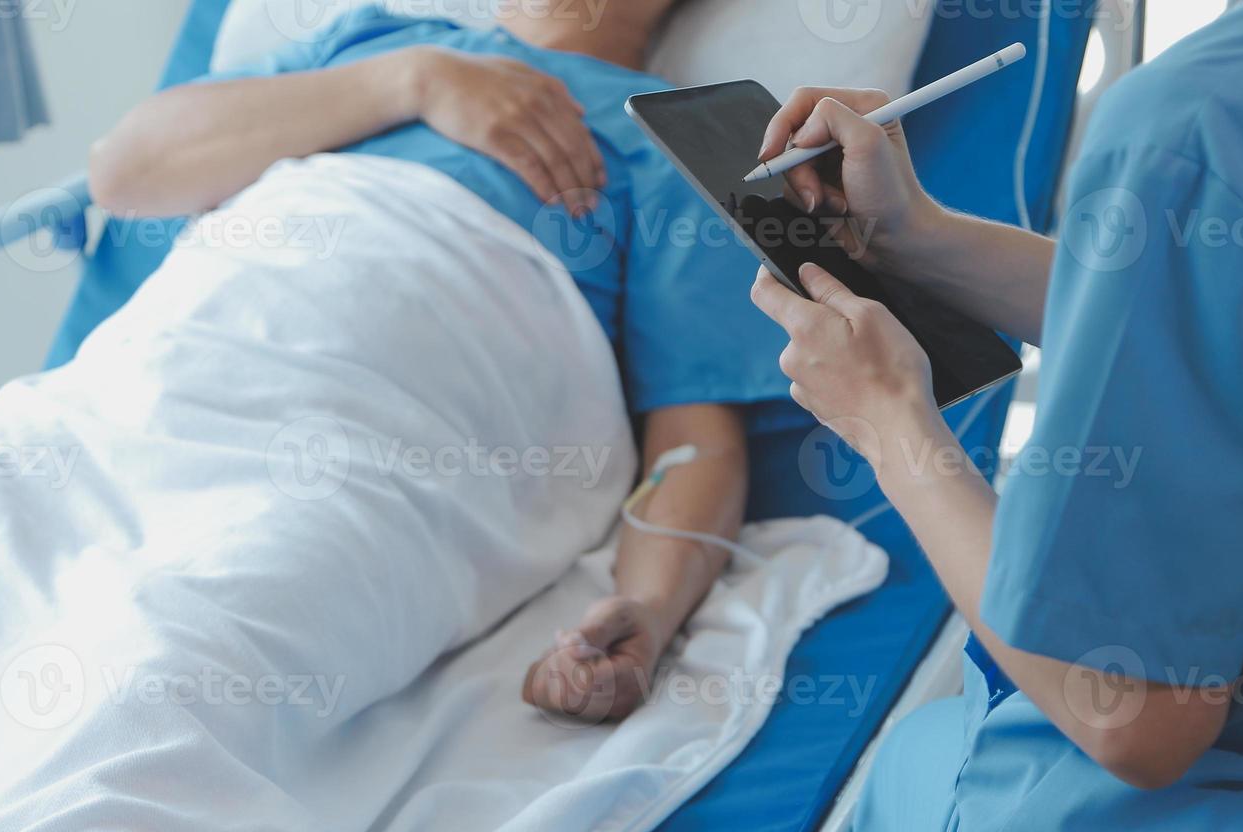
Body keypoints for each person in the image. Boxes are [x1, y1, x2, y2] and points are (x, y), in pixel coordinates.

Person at [749, 0, 1243, 832]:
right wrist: (917, 237)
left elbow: (1129, 711)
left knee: (904, 776)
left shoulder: (1202, 126)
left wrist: (888, 421)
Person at [90, 1, 794, 721]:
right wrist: (414, 81)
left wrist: (647, 609)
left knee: (186, 660)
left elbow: (695, 437)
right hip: (147, 386)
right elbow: (123, 171)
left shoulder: (681, 146)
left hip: (383, 442)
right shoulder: (375, 43)